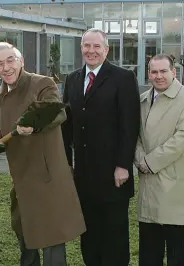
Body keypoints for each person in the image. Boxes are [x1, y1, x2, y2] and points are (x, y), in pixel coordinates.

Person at [0, 42, 85, 266]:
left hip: (46, 176)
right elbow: (4, 128)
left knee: (51, 239)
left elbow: (56, 112)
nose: (6, 67)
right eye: (0, 64)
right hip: (20, 178)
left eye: (10, 60)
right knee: (25, 235)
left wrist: (35, 126)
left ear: (21, 61)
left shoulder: (42, 83)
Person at [61, 28, 141, 265]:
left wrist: (123, 165)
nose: (91, 51)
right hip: (83, 174)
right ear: (81, 48)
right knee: (90, 235)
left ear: (106, 50)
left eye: (97, 46)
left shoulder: (123, 78)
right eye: (87, 46)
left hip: (113, 173)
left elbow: (130, 125)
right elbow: (67, 125)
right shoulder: (72, 79)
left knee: (114, 236)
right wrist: (67, 165)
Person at [134, 54, 184, 266]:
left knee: (175, 254)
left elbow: (183, 138)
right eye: (154, 72)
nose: (158, 76)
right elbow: (135, 135)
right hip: (148, 188)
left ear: (174, 72)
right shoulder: (143, 100)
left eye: (163, 71)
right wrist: (139, 157)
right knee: (148, 254)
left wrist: (149, 162)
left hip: (174, 187)